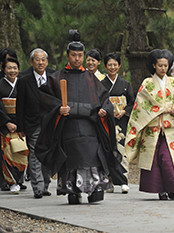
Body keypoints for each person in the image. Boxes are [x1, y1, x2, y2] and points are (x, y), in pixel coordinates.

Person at [35, 36, 118, 204]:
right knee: (71, 159)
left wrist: (104, 110)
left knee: (92, 157)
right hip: (68, 126)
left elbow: (105, 99)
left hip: (89, 126)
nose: (77, 58)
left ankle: (94, 188)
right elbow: (44, 100)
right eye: (74, 55)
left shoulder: (91, 77)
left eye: (80, 55)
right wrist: (58, 108)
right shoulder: (57, 77)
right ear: (68, 55)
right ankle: (72, 191)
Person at [125, 49, 174, 200]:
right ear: (154, 65)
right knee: (155, 160)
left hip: (172, 128)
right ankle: (160, 190)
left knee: (169, 159)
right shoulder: (147, 83)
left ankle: (172, 188)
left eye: (166, 66)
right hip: (153, 128)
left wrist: (173, 109)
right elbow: (142, 104)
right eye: (160, 65)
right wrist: (159, 109)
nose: (163, 68)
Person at [16, 48, 54, 198]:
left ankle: (45, 184)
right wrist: (20, 127)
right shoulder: (24, 79)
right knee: (35, 155)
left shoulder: (53, 76)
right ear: (32, 62)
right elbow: (20, 105)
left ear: (47, 61)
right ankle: (37, 187)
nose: (40, 62)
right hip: (32, 123)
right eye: (37, 59)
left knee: (48, 155)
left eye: (43, 59)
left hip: (50, 123)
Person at [101, 52, 134, 194]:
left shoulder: (126, 85)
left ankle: (124, 181)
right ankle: (110, 180)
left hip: (121, 122)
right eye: (110, 65)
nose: (112, 67)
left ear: (119, 66)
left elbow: (133, 103)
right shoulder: (101, 84)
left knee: (122, 150)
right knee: (108, 150)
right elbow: (98, 102)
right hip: (106, 122)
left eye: (115, 64)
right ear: (105, 66)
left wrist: (125, 111)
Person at [0, 57, 29, 194]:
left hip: (20, 122)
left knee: (20, 151)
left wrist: (21, 123)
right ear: (3, 69)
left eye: (15, 68)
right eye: (9, 68)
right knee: (6, 153)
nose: (12, 71)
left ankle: (19, 180)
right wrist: (6, 122)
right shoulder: (0, 84)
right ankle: (8, 181)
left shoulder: (23, 83)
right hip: (5, 123)